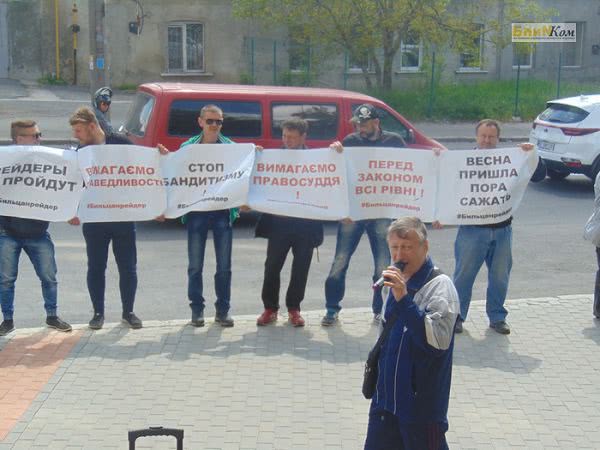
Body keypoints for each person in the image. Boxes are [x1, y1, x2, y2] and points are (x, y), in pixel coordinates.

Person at [438, 119, 546, 335]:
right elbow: (443, 184)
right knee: (463, 276)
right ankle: (457, 317)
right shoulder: (462, 161)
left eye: (491, 137)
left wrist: (532, 154)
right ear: (476, 137)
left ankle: (497, 317)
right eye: (483, 136)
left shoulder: (510, 160)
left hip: (502, 230)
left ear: (498, 138)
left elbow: (539, 174)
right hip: (472, 230)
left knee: (499, 277)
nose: (487, 140)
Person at [364, 217, 459, 450]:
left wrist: (404, 299)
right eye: (394, 248)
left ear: (424, 247)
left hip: (420, 409)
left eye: (407, 247)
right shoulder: (393, 281)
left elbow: (436, 343)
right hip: (385, 403)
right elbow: (385, 334)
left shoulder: (440, 287)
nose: (399, 255)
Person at [322, 103, 406, 326]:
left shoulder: (395, 141)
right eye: (357, 123)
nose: (360, 127)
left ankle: (380, 310)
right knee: (340, 261)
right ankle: (332, 308)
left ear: (376, 123)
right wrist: (335, 153)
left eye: (364, 123)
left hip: (381, 211)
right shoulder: (349, 142)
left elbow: (411, 167)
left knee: (382, 265)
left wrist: (434, 156)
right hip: (354, 211)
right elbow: (340, 174)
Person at [68, 107, 146, 330]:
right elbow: (75, 185)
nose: (76, 136)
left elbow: (143, 166)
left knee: (128, 267)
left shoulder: (120, 143)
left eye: (79, 131)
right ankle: (98, 313)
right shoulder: (80, 152)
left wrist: (158, 155)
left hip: (123, 217)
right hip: (94, 220)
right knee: (96, 267)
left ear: (93, 126)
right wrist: (73, 210)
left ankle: (128, 312)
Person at [158, 105, 236, 328]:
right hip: (196, 213)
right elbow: (176, 174)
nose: (214, 126)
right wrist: (166, 158)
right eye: (210, 121)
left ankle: (223, 311)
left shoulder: (231, 148)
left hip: (222, 212)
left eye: (219, 122)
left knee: (224, 267)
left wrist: (254, 153)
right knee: (195, 265)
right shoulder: (187, 147)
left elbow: (242, 172)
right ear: (200, 121)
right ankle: (197, 311)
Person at [0, 120, 72, 336]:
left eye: (39, 134)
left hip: (38, 232)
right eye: (35, 135)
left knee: (49, 276)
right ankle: (8, 320)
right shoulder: (4, 159)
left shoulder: (47, 158)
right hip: (8, 232)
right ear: (19, 138)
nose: (40, 138)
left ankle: (52, 315)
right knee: (6, 279)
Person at [255, 119, 324, 327]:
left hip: (306, 225)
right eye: (284, 136)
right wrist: (256, 156)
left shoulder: (317, 160)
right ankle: (270, 308)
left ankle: (294, 309)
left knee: (301, 269)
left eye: (292, 137)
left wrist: (336, 152)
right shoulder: (272, 158)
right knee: (272, 267)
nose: (287, 140)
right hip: (279, 224)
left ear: (304, 137)